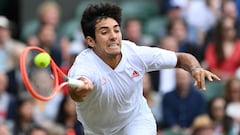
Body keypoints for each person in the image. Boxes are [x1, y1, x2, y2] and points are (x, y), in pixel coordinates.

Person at [68, 2, 220, 135]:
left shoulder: (135, 54)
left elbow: (181, 58)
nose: (113, 36)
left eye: (116, 30)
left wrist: (195, 69)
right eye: (104, 32)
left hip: (135, 120)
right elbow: (76, 92)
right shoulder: (84, 65)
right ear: (91, 41)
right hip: (98, 131)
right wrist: (82, 89)